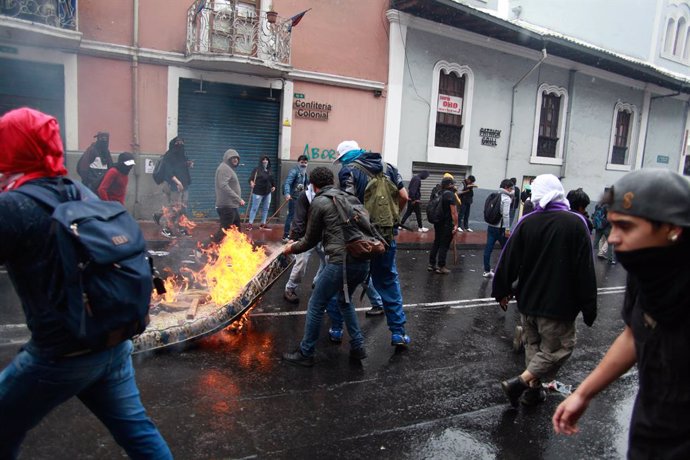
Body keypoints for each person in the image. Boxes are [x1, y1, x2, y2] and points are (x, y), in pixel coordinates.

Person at [0, 108, 172, 459]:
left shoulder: (14, 205)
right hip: (112, 344)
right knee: (139, 433)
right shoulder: (77, 191)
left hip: (61, 354)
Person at [553, 169, 690, 458]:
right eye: (612, 225)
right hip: (650, 435)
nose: (613, 238)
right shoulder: (647, 269)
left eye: (625, 227)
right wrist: (584, 393)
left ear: (672, 228)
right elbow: (634, 334)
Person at [493, 173, 597, 407]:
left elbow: (507, 259)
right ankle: (519, 384)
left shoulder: (527, 221)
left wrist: (502, 291)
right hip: (558, 304)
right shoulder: (576, 223)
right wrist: (589, 306)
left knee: (534, 346)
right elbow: (585, 269)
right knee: (558, 348)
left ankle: (533, 392)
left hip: (528, 300)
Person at [282, 167, 368, 366]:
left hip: (341, 263)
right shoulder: (348, 197)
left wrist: (290, 248)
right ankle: (358, 346)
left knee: (316, 303)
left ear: (313, 184)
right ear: (332, 181)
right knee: (345, 301)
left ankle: (306, 352)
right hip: (362, 260)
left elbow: (310, 240)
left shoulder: (320, 201)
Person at [336, 140, 411, 346]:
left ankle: (335, 329)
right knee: (388, 281)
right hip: (386, 237)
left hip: (360, 240)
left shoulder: (348, 172)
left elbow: (347, 206)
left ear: (345, 157)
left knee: (342, 285)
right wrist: (394, 219)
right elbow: (404, 196)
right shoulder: (390, 168)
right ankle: (398, 333)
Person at [283, 183, 326, 304]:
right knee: (301, 263)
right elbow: (299, 217)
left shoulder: (329, 195)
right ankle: (290, 288)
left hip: (323, 236)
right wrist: (294, 236)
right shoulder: (305, 196)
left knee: (328, 261)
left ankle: (317, 282)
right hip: (306, 236)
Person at [155, 136, 193, 238]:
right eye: (178, 143)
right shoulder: (169, 155)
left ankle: (181, 228)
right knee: (175, 208)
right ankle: (166, 229)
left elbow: (181, 167)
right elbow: (168, 172)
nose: (180, 145)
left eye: (182, 143)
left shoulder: (182, 155)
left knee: (183, 209)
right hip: (173, 185)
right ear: (173, 144)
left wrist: (188, 164)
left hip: (184, 185)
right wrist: (177, 182)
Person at [427, 176, 459, 274]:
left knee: (437, 242)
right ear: (449, 185)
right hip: (446, 223)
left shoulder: (438, 193)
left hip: (438, 222)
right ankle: (441, 266)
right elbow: (454, 212)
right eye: (453, 183)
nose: (455, 185)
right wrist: (456, 225)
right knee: (444, 245)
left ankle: (431, 264)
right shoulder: (450, 195)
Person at [482, 178, 513, 278]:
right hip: (501, 229)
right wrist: (507, 229)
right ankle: (504, 270)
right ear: (506, 187)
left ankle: (486, 271)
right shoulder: (506, 199)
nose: (512, 190)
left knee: (488, 249)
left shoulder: (494, 195)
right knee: (507, 249)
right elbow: (506, 215)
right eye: (510, 188)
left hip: (491, 227)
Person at [212, 149, 245, 243]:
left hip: (231, 206)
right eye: (233, 158)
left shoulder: (228, 168)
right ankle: (206, 247)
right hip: (226, 206)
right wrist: (238, 198)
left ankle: (238, 248)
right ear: (227, 159)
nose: (235, 160)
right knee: (224, 231)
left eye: (237, 158)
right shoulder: (224, 168)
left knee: (236, 228)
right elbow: (223, 186)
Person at [282, 154, 309, 243]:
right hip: (293, 198)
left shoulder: (305, 173)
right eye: (302, 162)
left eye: (305, 163)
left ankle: (296, 235)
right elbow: (287, 183)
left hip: (301, 198)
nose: (303, 164)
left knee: (299, 217)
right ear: (298, 162)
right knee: (291, 216)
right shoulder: (294, 171)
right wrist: (287, 194)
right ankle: (285, 235)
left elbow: (306, 185)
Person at [247, 155, 276, 230]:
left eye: (266, 160)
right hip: (258, 192)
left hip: (267, 192)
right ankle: (250, 224)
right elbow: (251, 178)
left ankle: (263, 224)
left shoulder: (269, 170)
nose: (265, 161)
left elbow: (272, 179)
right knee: (254, 208)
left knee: (266, 208)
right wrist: (251, 183)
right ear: (261, 161)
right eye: (263, 160)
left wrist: (273, 186)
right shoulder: (256, 170)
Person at [592, 189, 616, 264]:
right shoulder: (609, 206)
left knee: (595, 242)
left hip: (598, 227)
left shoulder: (598, 204)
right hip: (607, 228)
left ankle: (589, 255)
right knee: (610, 244)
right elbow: (610, 217)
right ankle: (610, 259)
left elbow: (594, 214)